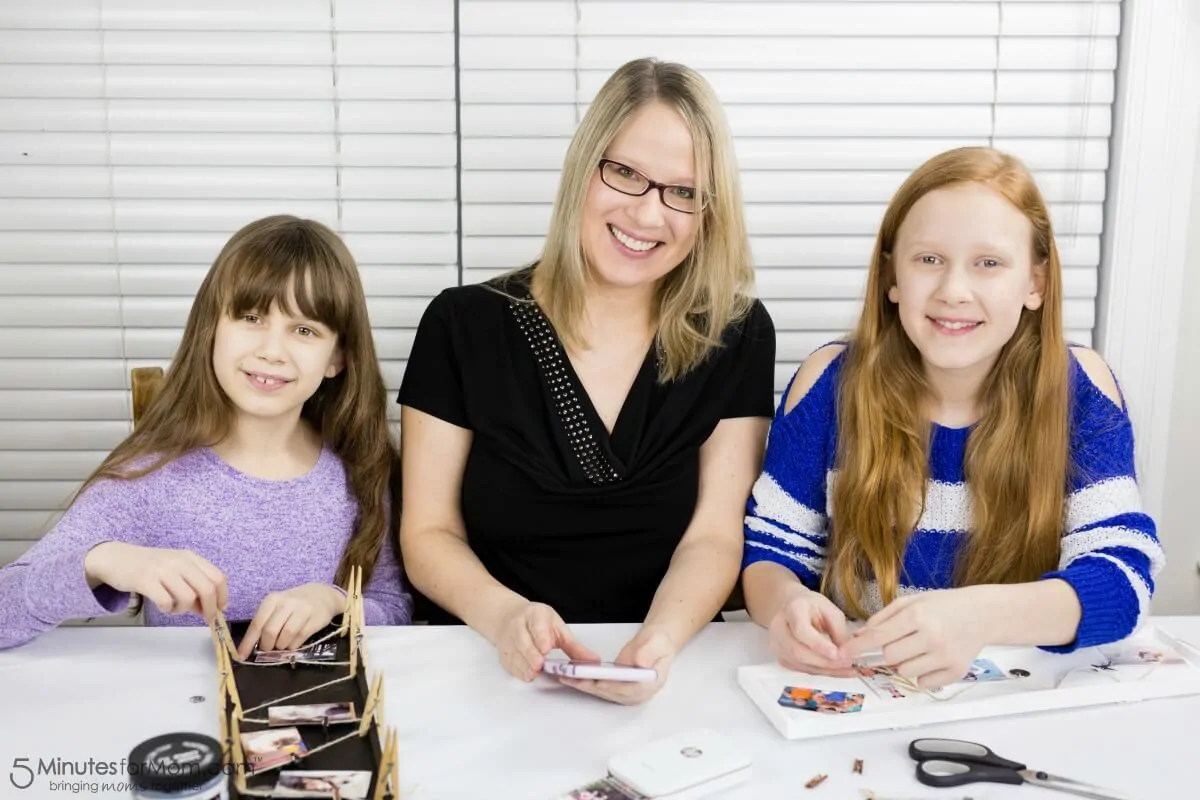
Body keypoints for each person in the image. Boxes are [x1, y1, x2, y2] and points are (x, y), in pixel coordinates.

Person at [398, 58, 775, 704]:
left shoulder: (737, 334)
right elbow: (427, 533)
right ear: (583, 167)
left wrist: (657, 643)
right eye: (625, 173)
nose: (647, 214)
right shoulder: (461, 324)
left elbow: (714, 533)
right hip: (489, 673)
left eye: (683, 192)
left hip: (668, 674)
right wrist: (505, 618)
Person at [741, 146, 1163, 690]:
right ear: (892, 277)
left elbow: (1122, 579)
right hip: (862, 692)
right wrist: (788, 606)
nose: (953, 292)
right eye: (929, 260)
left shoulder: (1080, 388)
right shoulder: (829, 383)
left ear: (1034, 284)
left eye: (988, 263)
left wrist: (976, 615)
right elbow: (771, 555)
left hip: (1018, 700)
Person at [0, 215, 412, 653]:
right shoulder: (150, 474)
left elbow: (394, 605)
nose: (272, 351)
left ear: (338, 358)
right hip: (179, 712)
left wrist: (337, 602)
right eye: (251, 317)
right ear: (211, 329)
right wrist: (104, 561)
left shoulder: (362, 467)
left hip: (316, 715)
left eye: (305, 330)